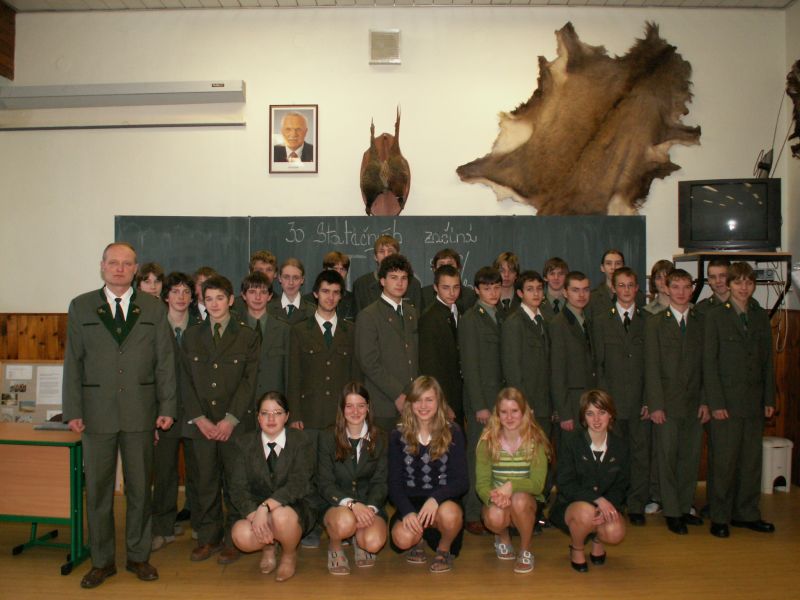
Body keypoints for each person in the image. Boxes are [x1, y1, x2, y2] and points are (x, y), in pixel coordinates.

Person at [63, 242, 176, 589]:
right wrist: (73, 410)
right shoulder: (81, 305)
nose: (119, 269)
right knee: (98, 491)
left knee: (140, 489)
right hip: (96, 413)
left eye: (127, 264)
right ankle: (102, 561)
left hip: (141, 412)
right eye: (113, 263)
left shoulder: (153, 308)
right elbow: (73, 362)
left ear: (135, 269)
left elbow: (164, 362)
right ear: (102, 266)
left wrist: (167, 407)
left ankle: (139, 556)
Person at [181, 275, 260, 564]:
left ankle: (234, 539)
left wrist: (230, 419)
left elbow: (250, 381)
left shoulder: (247, 336)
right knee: (205, 482)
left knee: (236, 483)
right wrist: (200, 418)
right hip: (202, 425)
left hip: (234, 425)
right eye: (208, 299)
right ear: (202, 302)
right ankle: (208, 538)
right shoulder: (191, 336)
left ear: (231, 300)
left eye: (219, 298)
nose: (214, 304)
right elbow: (184, 380)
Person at [704, 262, 775, 538]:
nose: (743, 288)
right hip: (726, 403)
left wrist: (769, 398)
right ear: (729, 285)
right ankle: (720, 516)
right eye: (738, 282)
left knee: (750, 461)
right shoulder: (715, 316)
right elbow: (709, 363)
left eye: (748, 282)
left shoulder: (759, 315)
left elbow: (767, 362)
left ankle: (746, 513)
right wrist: (716, 403)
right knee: (724, 462)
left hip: (753, 402)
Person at [288, 269, 358, 548]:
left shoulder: (350, 330)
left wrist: (354, 415)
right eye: (325, 291)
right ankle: (312, 527)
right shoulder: (299, 330)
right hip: (309, 416)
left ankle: (342, 525)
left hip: (340, 417)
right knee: (311, 475)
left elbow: (355, 377)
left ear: (341, 297)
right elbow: (293, 376)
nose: (330, 297)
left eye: (336, 293)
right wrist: (294, 415)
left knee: (340, 473)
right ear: (315, 294)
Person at [644, 268, 709, 535]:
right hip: (667, 404)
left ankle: (684, 507)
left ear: (692, 290)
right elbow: (651, 368)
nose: (681, 292)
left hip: (694, 403)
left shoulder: (700, 322)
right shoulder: (656, 323)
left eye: (686, 287)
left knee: (689, 458)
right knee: (667, 459)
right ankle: (671, 511)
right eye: (676, 287)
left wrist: (705, 401)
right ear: (667, 289)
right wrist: (656, 405)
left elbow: (706, 366)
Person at [230, 392, 317, 582]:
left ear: (287, 416)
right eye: (265, 413)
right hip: (257, 508)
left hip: (295, 507)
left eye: (277, 413)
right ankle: (268, 548)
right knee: (240, 534)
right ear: (258, 417)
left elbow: (299, 483)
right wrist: (254, 516)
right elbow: (237, 488)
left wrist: (266, 507)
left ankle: (289, 554)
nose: (271, 419)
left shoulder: (302, 441)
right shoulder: (243, 443)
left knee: (281, 516)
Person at [388, 376, 468, 573]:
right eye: (418, 400)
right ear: (410, 403)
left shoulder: (453, 432)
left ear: (439, 402)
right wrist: (407, 511)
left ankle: (443, 550)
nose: (423, 406)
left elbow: (461, 481)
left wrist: (435, 499)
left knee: (450, 515)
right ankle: (418, 540)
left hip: (442, 502)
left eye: (429, 400)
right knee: (402, 538)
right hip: (411, 501)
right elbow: (394, 484)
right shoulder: (398, 435)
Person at [592, 267, 649, 526]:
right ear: (613, 288)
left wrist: (648, 399)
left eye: (631, 285)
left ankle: (636, 504)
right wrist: (603, 404)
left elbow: (652, 365)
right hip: (612, 402)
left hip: (639, 402)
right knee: (612, 455)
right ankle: (613, 502)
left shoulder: (648, 320)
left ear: (637, 289)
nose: (626, 290)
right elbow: (598, 364)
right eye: (621, 285)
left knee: (639, 455)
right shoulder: (601, 320)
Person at [151, 272, 203, 552]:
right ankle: (163, 526)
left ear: (192, 297)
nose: (181, 297)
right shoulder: (155, 326)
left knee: (199, 470)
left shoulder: (201, 326)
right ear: (165, 296)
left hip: (196, 410)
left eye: (186, 292)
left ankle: (201, 524)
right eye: (175, 291)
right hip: (164, 410)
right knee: (165, 472)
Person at [550, 390, 628, 572]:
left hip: (606, 504)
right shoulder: (572, 442)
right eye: (590, 413)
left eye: (602, 412)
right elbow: (565, 483)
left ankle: (598, 541)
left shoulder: (620, 446)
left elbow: (622, 484)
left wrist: (607, 505)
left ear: (611, 415)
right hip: (572, 505)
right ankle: (577, 548)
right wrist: (597, 500)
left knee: (615, 532)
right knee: (586, 513)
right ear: (583, 417)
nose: (597, 419)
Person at [475, 388, 550, 574]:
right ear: (497, 414)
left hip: (526, 501)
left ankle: (525, 550)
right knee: (494, 516)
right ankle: (503, 537)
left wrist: (511, 486)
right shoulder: (487, 441)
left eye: (514, 411)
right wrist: (494, 497)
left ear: (524, 412)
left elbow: (537, 485)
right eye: (504, 412)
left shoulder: (536, 441)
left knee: (519, 499)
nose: (509, 417)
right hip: (498, 499)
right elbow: (482, 484)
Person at [318, 383, 388, 575]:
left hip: (368, 504)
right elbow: (324, 483)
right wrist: (351, 504)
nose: (355, 411)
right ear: (342, 409)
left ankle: (359, 539)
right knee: (344, 523)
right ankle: (335, 546)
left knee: (373, 543)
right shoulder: (327, 437)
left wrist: (370, 508)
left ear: (368, 407)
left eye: (360, 405)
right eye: (349, 406)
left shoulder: (381, 438)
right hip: (337, 505)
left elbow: (381, 482)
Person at [459, 266, 505, 535]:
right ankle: (473, 512)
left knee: (497, 456)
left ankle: (494, 509)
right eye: (487, 288)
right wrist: (479, 405)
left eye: (496, 287)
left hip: (501, 399)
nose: (493, 292)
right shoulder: (470, 319)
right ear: (477, 290)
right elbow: (470, 366)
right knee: (478, 456)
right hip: (482, 401)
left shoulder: (502, 314)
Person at [355, 253, 419, 432]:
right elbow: (369, 362)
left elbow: (413, 356)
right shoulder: (369, 315)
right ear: (382, 281)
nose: (400, 283)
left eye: (404, 278)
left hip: (412, 401)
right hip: (384, 404)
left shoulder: (411, 312)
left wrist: (412, 394)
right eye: (393, 277)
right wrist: (398, 394)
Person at [549, 271, 597, 434]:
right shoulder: (559, 324)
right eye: (575, 290)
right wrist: (564, 413)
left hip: (590, 402)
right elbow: (557, 372)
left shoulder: (587, 320)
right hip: (571, 405)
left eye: (585, 290)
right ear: (565, 292)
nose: (581, 295)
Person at [419, 264, 465, 425]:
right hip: (443, 396)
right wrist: (442, 403)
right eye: (446, 288)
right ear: (435, 288)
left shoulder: (460, 311)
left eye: (456, 287)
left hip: (460, 394)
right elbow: (430, 366)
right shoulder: (430, 318)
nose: (452, 293)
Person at [240, 272, 290, 406]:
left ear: (270, 296)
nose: (258, 297)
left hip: (274, 405)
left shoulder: (283, 329)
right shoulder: (234, 329)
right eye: (252, 292)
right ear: (243, 295)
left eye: (263, 292)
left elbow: (288, 375)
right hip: (241, 405)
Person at [352, 234, 422, 313]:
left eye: (390, 251)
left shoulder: (413, 284)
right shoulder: (361, 285)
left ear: (398, 255)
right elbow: (358, 317)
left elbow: (417, 316)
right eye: (382, 251)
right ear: (375, 257)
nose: (386, 255)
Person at [420, 248, 477, 313]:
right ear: (434, 269)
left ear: (458, 269)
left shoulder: (470, 296)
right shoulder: (423, 295)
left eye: (450, 265)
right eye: (441, 265)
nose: (446, 268)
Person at [268, 258, 315, 326]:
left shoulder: (313, 311)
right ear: (280, 278)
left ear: (302, 280)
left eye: (296, 278)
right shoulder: (268, 309)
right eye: (286, 277)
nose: (291, 282)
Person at [232, 250, 279, 318]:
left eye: (269, 270)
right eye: (260, 270)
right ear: (251, 273)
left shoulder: (281, 305)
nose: (264, 274)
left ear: (275, 274)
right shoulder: (236, 305)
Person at [494, 251, 521, 319]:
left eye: (511, 271)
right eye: (502, 271)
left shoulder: (524, 298)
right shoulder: (486, 298)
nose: (506, 275)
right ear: (496, 273)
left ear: (516, 275)